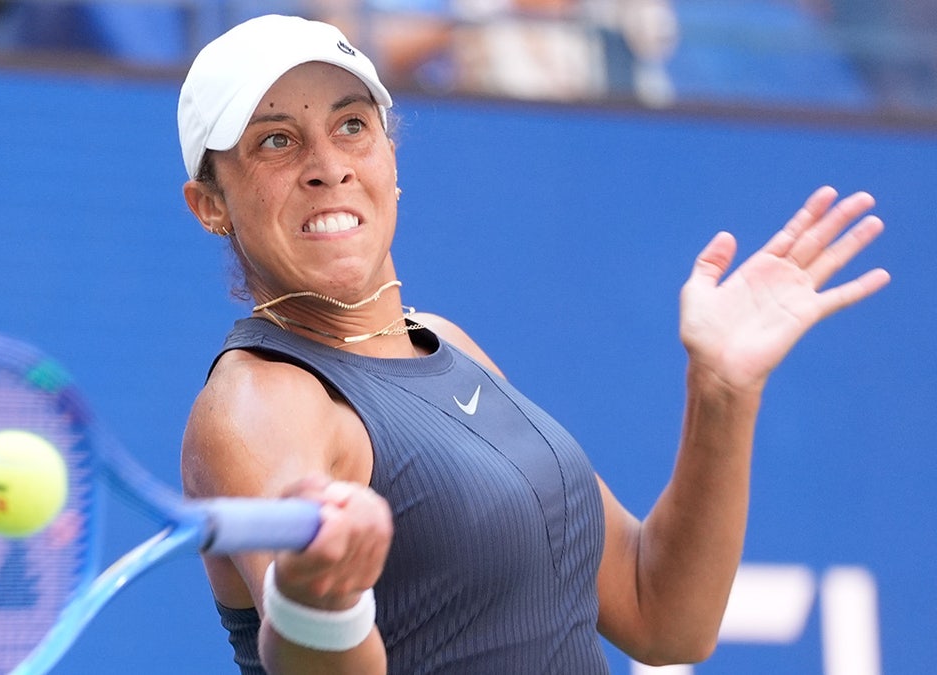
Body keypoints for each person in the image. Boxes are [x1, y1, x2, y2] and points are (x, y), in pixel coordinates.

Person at [176, 14, 889, 675]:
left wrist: (722, 393)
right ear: (210, 205)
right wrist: (319, 599)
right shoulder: (256, 402)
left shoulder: (446, 343)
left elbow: (663, 616)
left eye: (352, 125)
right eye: (276, 140)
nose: (327, 165)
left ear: (390, 159)